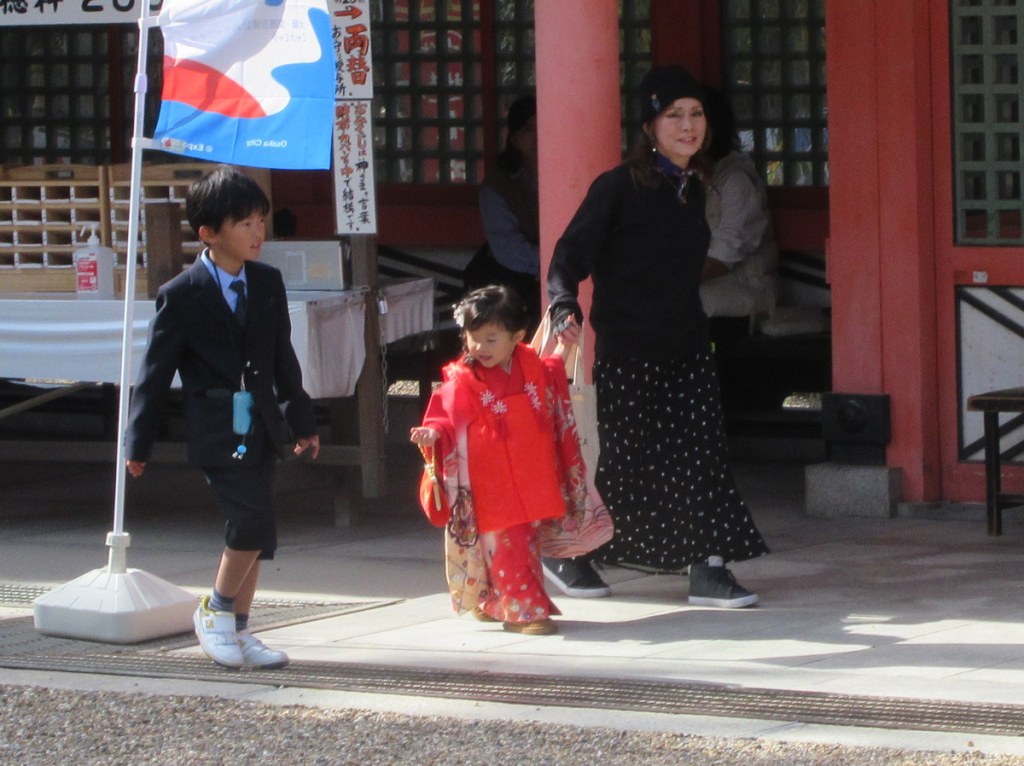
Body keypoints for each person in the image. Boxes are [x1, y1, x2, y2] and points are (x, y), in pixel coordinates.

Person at [546, 65, 769, 607]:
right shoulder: (618, 186)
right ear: (650, 126)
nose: (688, 126)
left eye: (696, 114)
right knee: (627, 464)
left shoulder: (693, 188)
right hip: (630, 348)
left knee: (703, 457)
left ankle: (707, 569)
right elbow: (569, 254)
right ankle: (569, 554)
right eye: (674, 116)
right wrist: (563, 303)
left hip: (686, 345)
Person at [125, 165, 321, 668]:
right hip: (216, 425)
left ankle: (239, 627)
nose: (258, 232)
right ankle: (215, 609)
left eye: (261, 220)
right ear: (209, 232)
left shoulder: (267, 282)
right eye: (244, 223)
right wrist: (137, 442)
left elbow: (283, 356)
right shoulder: (182, 293)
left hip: (262, 422)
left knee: (260, 529)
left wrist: (302, 420)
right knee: (249, 520)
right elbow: (154, 372)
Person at [409, 285, 583, 636]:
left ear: (517, 336)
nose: (480, 348)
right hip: (489, 483)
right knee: (509, 546)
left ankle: (490, 600)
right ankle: (524, 611)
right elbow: (445, 418)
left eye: (491, 339)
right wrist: (433, 433)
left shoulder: (528, 364)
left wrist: (565, 346)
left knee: (520, 545)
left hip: (528, 474)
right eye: (473, 339)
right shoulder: (462, 379)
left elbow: (551, 376)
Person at [699, 85, 779, 327]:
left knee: (677, 304)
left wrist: (670, 282)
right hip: (710, 283)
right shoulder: (693, 177)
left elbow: (725, 255)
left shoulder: (736, 180)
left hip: (747, 288)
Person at [465, 95, 542, 330]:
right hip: (516, 280)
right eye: (528, 129)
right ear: (515, 139)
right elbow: (508, 248)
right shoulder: (498, 185)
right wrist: (552, 261)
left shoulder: (571, 174)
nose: (538, 136)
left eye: (542, 126)